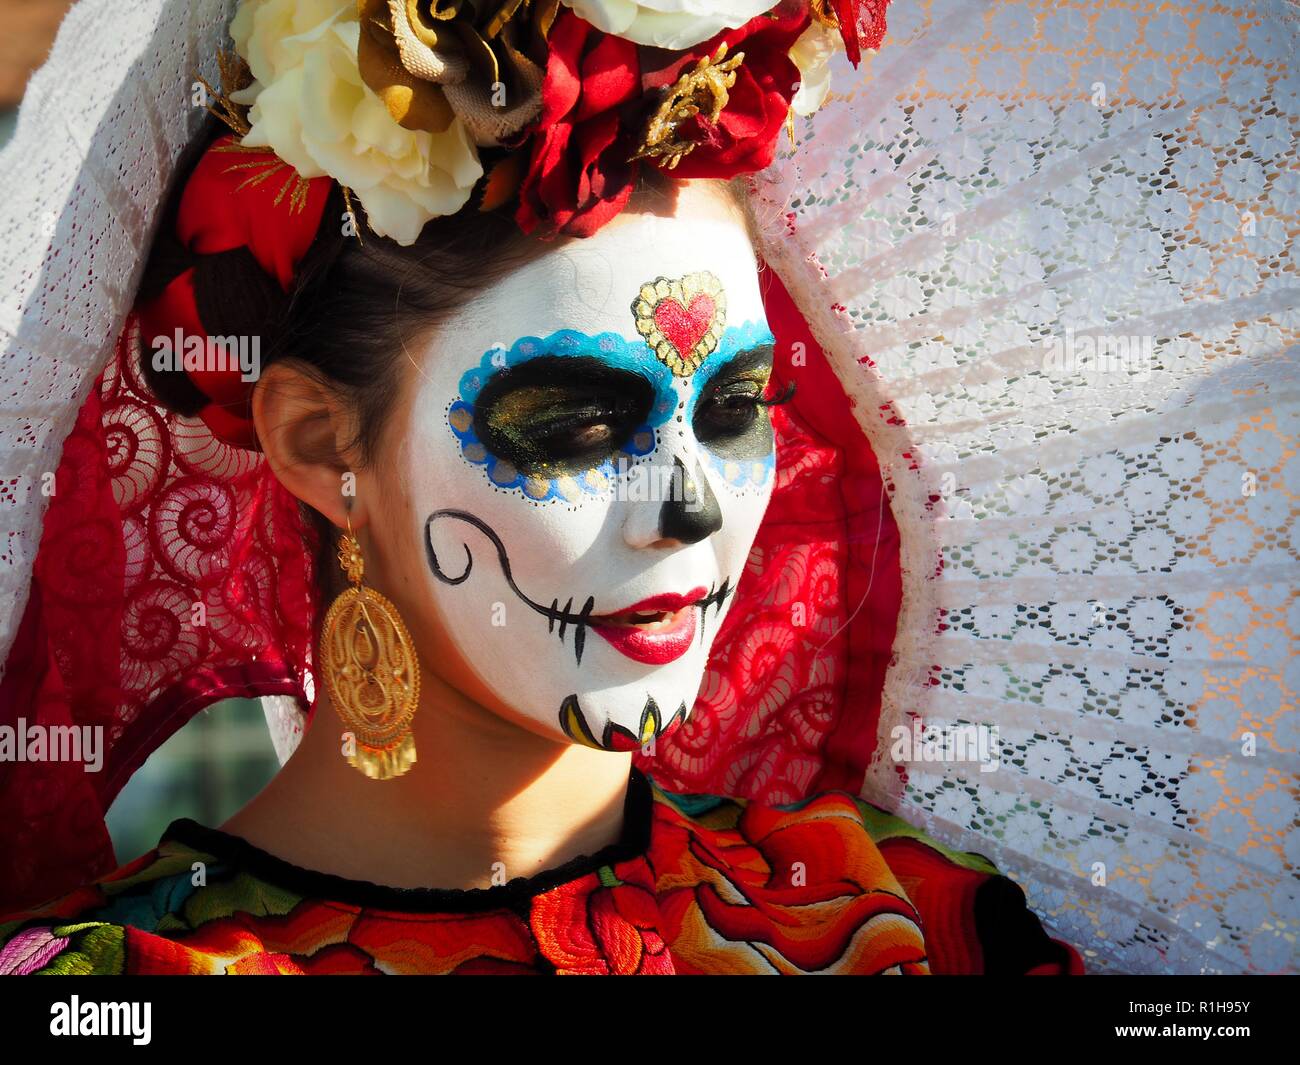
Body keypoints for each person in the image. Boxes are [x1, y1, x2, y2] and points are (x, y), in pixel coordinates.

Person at [0, 0, 1085, 975]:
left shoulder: (908, 929)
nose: (692, 508)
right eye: (575, 423)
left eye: (733, 410)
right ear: (322, 441)